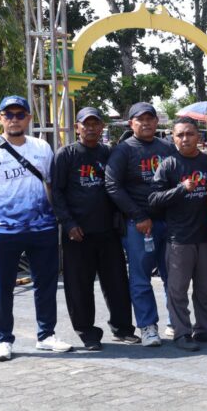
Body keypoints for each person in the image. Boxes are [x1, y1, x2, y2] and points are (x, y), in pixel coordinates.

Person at [0, 95, 72, 362]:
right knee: (3, 288)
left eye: (19, 114)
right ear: (0, 118)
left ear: (28, 118)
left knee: (46, 285)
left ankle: (46, 335)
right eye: (8, 114)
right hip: (4, 231)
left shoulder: (42, 147)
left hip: (43, 229)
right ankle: (3, 339)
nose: (14, 119)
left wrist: (56, 219)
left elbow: (50, 185)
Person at [51, 106, 134, 350]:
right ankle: (87, 333)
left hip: (108, 231)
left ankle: (122, 329)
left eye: (95, 123)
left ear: (102, 127)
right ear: (77, 127)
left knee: (117, 283)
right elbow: (56, 192)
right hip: (78, 233)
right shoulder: (66, 154)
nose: (90, 128)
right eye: (85, 124)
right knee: (79, 287)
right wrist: (68, 223)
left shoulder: (108, 153)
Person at [149, 117, 207, 351]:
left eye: (190, 134)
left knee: (205, 289)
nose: (185, 139)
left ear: (199, 136)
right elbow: (153, 199)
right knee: (178, 290)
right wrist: (180, 189)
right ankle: (182, 333)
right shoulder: (169, 165)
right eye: (180, 135)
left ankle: (204, 329)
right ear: (173, 138)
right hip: (179, 239)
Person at [105, 101, 176, 347]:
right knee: (140, 278)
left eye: (150, 118)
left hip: (168, 223)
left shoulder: (168, 147)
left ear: (157, 122)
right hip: (139, 226)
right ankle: (148, 326)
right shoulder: (123, 150)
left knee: (173, 277)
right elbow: (112, 185)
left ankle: (176, 322)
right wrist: (138, 216)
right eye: (140, 119)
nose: (145, 123)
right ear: (131, 123)